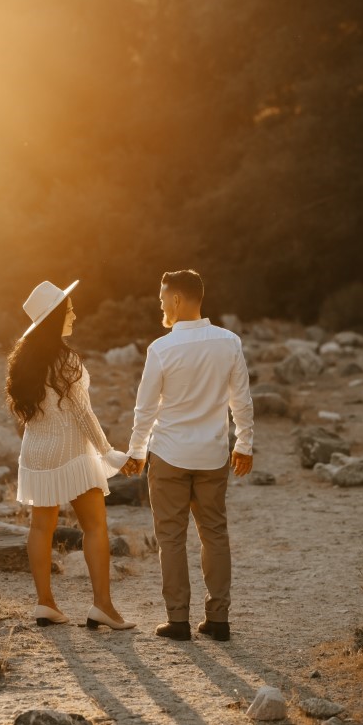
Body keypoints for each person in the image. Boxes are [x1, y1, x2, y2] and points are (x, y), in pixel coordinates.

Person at [122, 269, 253, 641]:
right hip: (213, 455)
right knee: (215, 534)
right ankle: (219, 620)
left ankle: (177, 620)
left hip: (169, 455)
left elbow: (144, 409)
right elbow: (240, 400)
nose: (160, 303)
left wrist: (136, 451)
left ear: (177, 299)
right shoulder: (229, 342)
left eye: (163, 297)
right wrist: (243, 444)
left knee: (171, 538)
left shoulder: (161, 349)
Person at [5, 279, 136, 631]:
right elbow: (82, 414)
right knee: (94, 525)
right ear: (56, 317)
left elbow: (28, 413)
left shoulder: (22, 360)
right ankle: (103, 606)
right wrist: (109, 453)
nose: (74, 314)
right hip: (72, 451)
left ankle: (45, 603)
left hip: (35, 451)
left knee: (40, 526)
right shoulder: (66, 360)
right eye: (69, 309)